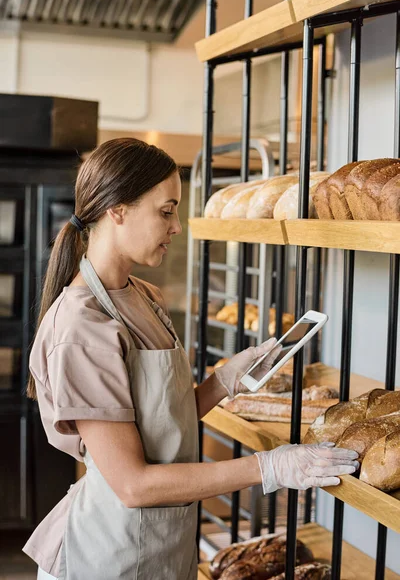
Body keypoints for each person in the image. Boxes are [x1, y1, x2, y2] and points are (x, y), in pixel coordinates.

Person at [23, 138, 359, 580]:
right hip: (108, 556)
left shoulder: (144, 296)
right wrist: (270, 465)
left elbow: (157, 423)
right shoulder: (82, 326)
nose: (177, 226)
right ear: (117, 210)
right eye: (166, 211)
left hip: (163, 545)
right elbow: (133, 484)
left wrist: (223, 382)